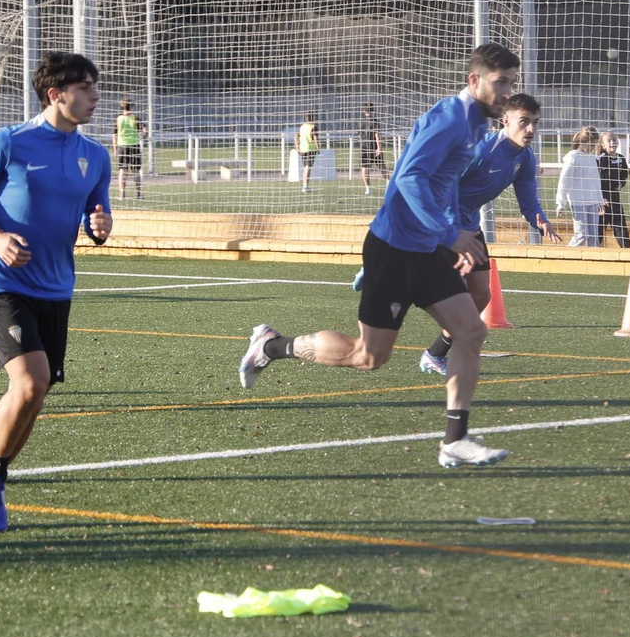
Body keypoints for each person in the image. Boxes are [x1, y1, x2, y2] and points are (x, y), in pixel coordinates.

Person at [239, 44, 521, 470]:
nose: (506, 93)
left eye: (512, 85)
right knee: (369, 357)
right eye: (500, 83)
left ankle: (455, 439)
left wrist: (453, 235)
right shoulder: (451, 119)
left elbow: (441, 184)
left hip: (425, 251)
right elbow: (408, 177)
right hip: (394, 251)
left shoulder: (473, 125)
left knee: (471, 332)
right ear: (474, 81)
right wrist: (451, 232)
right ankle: (272, 346)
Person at [0, 51, 113, 532]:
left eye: (94, 86)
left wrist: (99, 224)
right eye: (85, 87)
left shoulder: (95, 156)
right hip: (2, 284)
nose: (95, 96)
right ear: (56, 94)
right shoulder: (10, 142)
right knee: (30, 382)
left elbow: (95, 216)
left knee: (34, 397)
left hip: (56, 288)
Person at [418, 92, 561, 376]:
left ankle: (434, 355)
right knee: (447, 294)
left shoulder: (526, 158)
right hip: (445, 225)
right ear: (504, 120)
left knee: (481, 295)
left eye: (535, 122)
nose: (530, 129)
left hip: (470, 226)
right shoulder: (483, 150)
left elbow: (528, 200)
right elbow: (443, 183)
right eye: (523, 122)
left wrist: (541, 221)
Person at [556, 126, 603, 247]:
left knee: (594, 236)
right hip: (578, 203)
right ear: (582, 142)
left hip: (592, 202)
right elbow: (564, 182)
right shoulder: (573, 158)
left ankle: (594, 260)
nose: (592, 148)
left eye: (594, 145)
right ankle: (566, 256)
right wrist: (561, 203)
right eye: (591, 145)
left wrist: (599, 200)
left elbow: (596, 180)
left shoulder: (592, 158)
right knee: (581, 235)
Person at [597, 131, 630, 248]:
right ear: (603, 145)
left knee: (621, 228)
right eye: (609, 140)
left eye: (615, 139)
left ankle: (629, 254)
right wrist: (601, 198)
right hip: (601, 201)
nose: (612, 142)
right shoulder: (600, 160)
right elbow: (597, 180)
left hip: (615, 199)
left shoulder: (621, 159)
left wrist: (621, 183)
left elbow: (624, 175)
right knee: (598, 230)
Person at [113, 98, 145, 200]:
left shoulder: (118, 119)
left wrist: (115, 149)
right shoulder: (135, 118)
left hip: (122, 146)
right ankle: (139, 193)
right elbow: (144, 129)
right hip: (134, 145)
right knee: (136, 170)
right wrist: (145, 134)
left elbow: (114, 135)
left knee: (122, 170)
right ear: (131, 106)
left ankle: (122, 193)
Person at [358, 102, 387, 194]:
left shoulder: (360, 121)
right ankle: (388, 183)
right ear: (373, 110)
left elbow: (359, 135)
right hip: (373, 146)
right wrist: (379, 147)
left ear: (363, 110)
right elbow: (377, 134)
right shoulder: (374, 121)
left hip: (364, 146)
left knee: (364, 167)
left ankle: (368, 188)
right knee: (381, 165)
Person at [297, 112, 320, 193]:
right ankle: (305, 186)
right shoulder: (313, 127)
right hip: (310, 149)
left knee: (306, 166)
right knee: (308, 167)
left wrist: (297, 148)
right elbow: (315, 138)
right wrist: (318, 147)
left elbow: (295, 137)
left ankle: (305, 185)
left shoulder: (302, 127)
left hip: (302, 149)